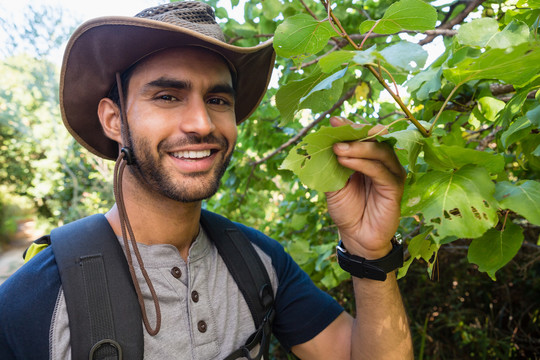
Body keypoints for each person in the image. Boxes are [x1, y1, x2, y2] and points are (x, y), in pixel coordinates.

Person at [0, 1, 413, 359]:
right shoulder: (32, 301)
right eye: (167, 96)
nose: (201, 123)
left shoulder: (260, 263)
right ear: (114, 121)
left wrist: (370, 253)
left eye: (217, 100)